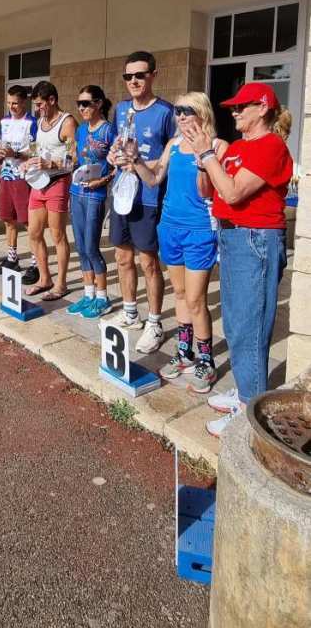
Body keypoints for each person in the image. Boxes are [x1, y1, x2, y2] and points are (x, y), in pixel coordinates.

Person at [186, 82, 293, 438]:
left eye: (241, 107)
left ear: (262, 108)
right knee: (234, 323)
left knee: (250, 327)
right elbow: (208, 191)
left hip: (255, 239)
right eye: (232, 107)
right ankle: (247, 393)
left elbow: (232, 193)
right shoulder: (237, 148)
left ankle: (250, 411)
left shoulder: (271, 146)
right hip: (232, 237)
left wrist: (208, 154)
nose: (234, 112)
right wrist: (203, 160)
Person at [129, 93, 219, 393]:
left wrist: (204, 159)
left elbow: (210, 192)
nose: (179, 116)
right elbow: (154, 178)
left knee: (196, 299)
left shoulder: (217, 146)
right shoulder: (173, 144)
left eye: (186, 110)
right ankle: (184, 353)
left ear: (202, 113)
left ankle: (206, 360)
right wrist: (136, 159)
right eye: (177, 111)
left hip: (199, 231)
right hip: (169, 227)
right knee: (179, 294)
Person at [107, 51, 174, 354]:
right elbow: (117, 143)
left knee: (148, 262)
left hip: (148, 196)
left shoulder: (166, 112)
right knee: (122, 257)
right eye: (128, 76)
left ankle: (155, 323)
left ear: (153, 75)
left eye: (140, 75)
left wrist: (141, 164)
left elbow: (169, 158)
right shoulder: (122, 109)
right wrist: (113, 155)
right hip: (123, 193)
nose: (133, 81)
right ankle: (130, 312)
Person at [24, 81, 76, 301]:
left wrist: (51, 164)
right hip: (38, 183)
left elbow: (73, 159)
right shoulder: (40, 121)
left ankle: (61, 284)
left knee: (58, 235)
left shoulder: (67, 122)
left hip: (58, 182)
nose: (37, 109)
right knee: (34, 233)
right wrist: (27, 161)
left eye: (40, 104)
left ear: (52, 100)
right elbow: (37, 150)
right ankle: (44, 278)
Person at [67, 85, 115, 319]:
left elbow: (119, 165)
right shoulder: (81, 129)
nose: (81, 108)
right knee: (79, 245)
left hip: (95, 195)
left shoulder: (108, 131)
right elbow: (76, 158)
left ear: (98, 103)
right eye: (79, 104)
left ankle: (102, 297)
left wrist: (103, 180)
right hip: (77, 191)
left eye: (85, 103)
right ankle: (88, 294)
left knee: (91, 247)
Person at [0, 86, 38, 275]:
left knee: (28, 221)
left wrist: (16, 154)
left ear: (24, 102)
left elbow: (36, 152)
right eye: (9, 102)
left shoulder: (32, 122)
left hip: (23, 176)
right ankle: (12, 259)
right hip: (6, 175)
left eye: (15, 103)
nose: (11, 106)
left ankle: (36, 263)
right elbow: (0, 146)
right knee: (7, 218)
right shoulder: (4, 121)